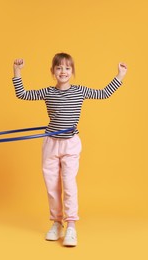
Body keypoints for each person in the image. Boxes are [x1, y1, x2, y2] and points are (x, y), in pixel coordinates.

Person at [12, 53, 127, 247]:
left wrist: (120, 75)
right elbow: (22, 94)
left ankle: (71, 225)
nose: (63, 71)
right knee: (52, 185)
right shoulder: (48, 92)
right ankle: (57, 223)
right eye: (59, 68)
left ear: (72, 72)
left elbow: (104, 93)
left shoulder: (79, 91)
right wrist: (17, 71)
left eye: (67, 68)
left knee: (68, 182)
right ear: (52, 72)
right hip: (51, 142)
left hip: (71, 142)